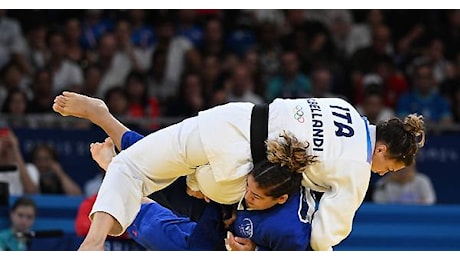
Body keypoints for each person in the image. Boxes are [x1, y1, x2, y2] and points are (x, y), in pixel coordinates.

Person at [52, 91, 426, 251]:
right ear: (381, 149)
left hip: (232, 118)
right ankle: (191, 183)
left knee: (135, 166)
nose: (380, 174)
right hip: (241, 175)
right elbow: (323, 238)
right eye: (387, 167)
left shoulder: (342, 107)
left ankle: (96, 236)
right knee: (194, 204)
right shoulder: (357, 171)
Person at [89, 131, 315, 251]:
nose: (247, 197)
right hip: (219, 204)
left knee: (153, 231)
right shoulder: (269, 168)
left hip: (223, 234)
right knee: (166, 171)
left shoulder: (290, 233)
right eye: (247, 189)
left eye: (254, 197)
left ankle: (113, 166)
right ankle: (114, 155)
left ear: (281, 199)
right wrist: (206, 186)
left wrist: (255, 253)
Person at [372, 162, 436, 205]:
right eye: (399, 169)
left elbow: (429, 201)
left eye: (406, 169)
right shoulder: (382, 184)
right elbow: (379, 203)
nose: (403, 172)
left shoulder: (422, 181)